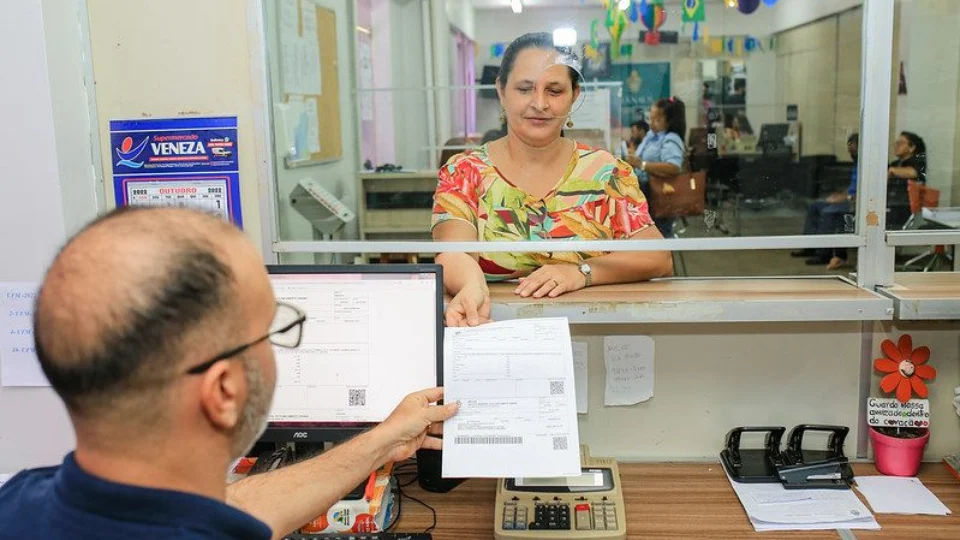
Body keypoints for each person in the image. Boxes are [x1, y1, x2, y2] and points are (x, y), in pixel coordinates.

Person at [0, 207, 459, 539]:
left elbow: (230, 509)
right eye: (271, 330)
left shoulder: (19, 500)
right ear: (223, 390)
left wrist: (384, 439)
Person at [432, 32, 672, 328]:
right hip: (489, 328)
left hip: (599, 335)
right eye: (524, 88)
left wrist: (580, 272)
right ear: (501, 91)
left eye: (554, 91)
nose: (540, 103)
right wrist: (471, 286)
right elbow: (453, 253)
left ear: (574, 96)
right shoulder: (465, 171)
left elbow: (657, 257)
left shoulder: (607, 172)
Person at [792, 133, 859, 270]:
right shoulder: (857, 164)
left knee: (827, 212)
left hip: (855, 204)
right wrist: (841, 195)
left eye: (853, 148)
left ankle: (824, 253)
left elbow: (865, 192)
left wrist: (846, 198)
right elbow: (853, 187)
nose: (850, 152)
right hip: (848, 198)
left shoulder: (868, 166)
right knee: (814, 206)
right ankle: (810, 247)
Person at [624, 97, 687, 238]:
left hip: (658, 194)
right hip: (644, 194)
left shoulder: (670, 139)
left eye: (656, 120)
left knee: (660, 235)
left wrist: (642, 164)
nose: (651, 124)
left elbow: (674, 167)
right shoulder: (652, 136)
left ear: (669, 121)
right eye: (650, 119)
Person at [886, 131, 927, 229]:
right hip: (891, 205)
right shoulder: (895, 163)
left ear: (912, 147)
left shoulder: (918, 161)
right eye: (896, 143)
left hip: (905, 207)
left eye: (900, 143)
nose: (896, 146)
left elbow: (914, 173)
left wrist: (892, 171)